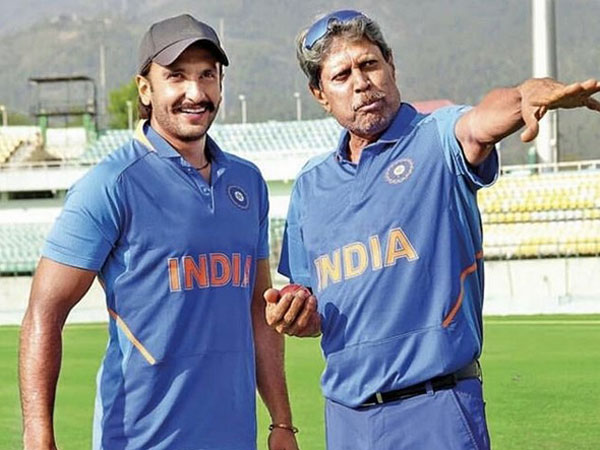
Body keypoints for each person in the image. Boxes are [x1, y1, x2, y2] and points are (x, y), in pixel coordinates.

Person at [264, 9, 600, 450]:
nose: (361, 83)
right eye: (342, 75)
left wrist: (524, 95)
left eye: (369, 64)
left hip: (436, 409)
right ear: (320, 94)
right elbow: (313, 306)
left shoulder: (435, 137)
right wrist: (296, 312)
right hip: (347, 420)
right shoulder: (311, 186)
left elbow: (479, 126)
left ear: (391, 64)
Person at [19, 14, 299, 450]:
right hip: (140, 439)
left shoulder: (247, 182)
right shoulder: (111, 184)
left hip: (233, 437)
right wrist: (38, 436)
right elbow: (44, 312)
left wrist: (281, 423)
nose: (196, 92)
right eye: (176, 76)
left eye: (207, 75)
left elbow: (257, 310)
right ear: (145, 89)